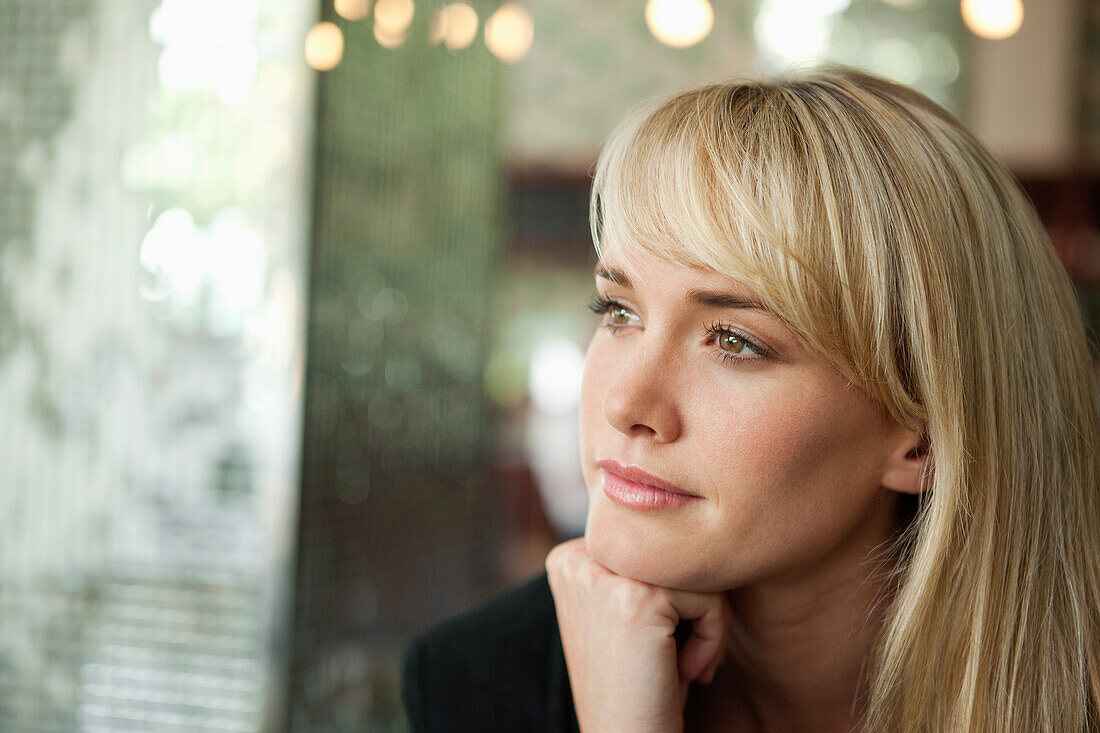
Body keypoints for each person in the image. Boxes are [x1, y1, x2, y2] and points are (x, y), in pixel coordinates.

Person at [402, 66, 1100, 732]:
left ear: (923, 434)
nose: (625, 401)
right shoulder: (479, 681)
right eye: (619, 310)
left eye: (734, 340)